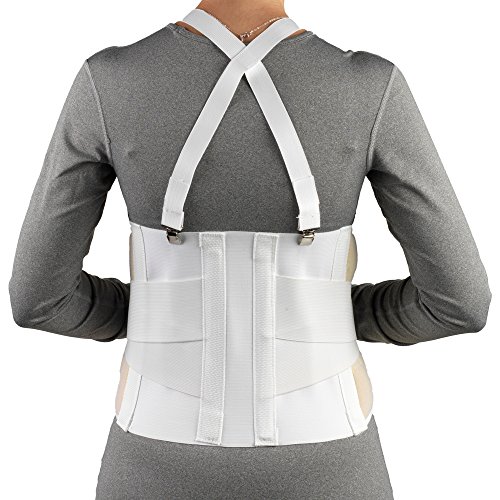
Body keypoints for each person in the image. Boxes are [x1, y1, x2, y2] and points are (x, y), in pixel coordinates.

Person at [8, 0, 492, 498]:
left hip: (150, 467)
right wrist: (325, 316)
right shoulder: (370, 88)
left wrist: (161, 314)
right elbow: (460, 303)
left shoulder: (110, 81)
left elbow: (38, 299)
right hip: (333, 470)